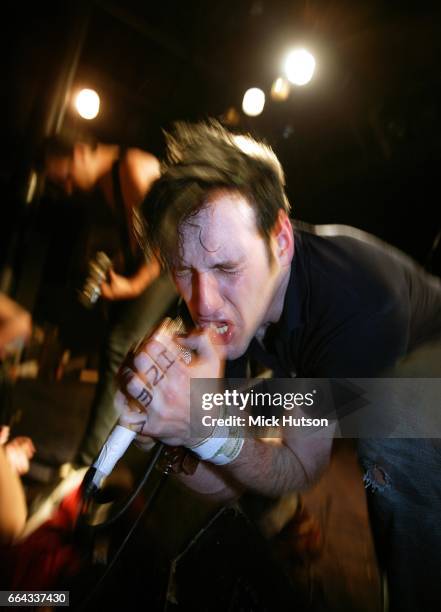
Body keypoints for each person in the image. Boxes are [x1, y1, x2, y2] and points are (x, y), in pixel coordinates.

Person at [116, 121, 441, 611]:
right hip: (328, 370)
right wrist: (162, 427)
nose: (202, 303)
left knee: (397, 442)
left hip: (421, 361)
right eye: (184, 272)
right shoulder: (226, 304)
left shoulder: (357, 303)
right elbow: (224, 481)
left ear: (281, 241)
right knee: (233, 428)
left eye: (226, 268)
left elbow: (302, 465)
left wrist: (208, 430)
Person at [42, 137, 176, 465]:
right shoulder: (109, 183)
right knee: (131, 348)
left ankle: (88, 462)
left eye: (66, 178)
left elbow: (161, 243)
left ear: (77, 151)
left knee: (119, 344)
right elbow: (140, 240)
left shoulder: (130, 168)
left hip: (180, 260)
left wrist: (131, 285)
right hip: (168, 263)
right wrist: (119, 263)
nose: (69, 188)